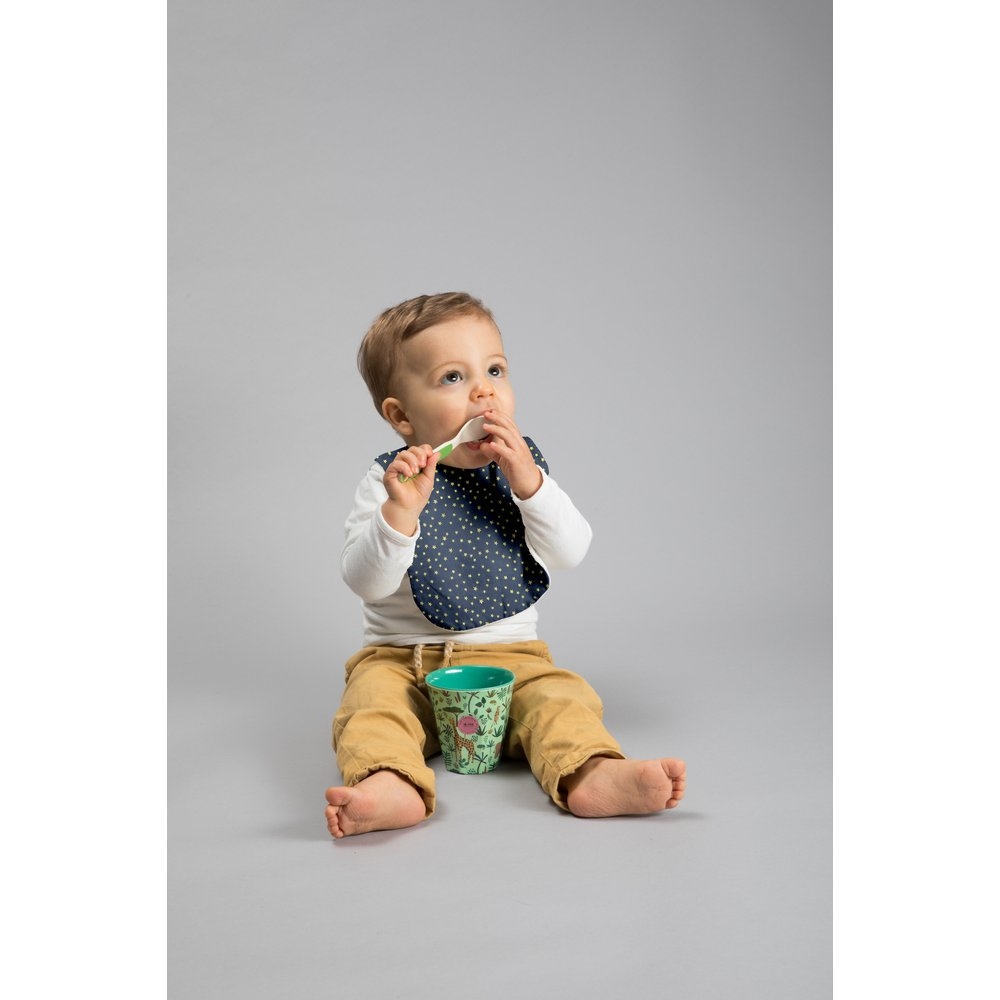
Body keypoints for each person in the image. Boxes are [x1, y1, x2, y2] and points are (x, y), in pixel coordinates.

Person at [325, 292, 686, 838]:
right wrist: (400, 514)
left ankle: (591, 773)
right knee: (372, 709)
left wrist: (531, 486)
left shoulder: (522, 472)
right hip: (402, 663)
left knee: (560, 699)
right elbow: (366, 583)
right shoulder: (388, 483)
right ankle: (389, 783)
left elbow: (571, 551)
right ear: (401, 415)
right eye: (452, 378)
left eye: (495, 370)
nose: (484, 391)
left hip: (512, 660)